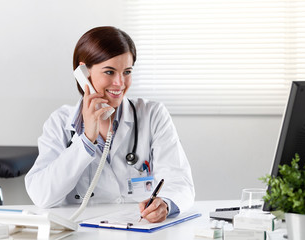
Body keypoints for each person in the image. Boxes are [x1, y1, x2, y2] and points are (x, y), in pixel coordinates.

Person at [25, 26, 195, 223]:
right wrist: (86, 141)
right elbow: (41, 195)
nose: (120, 83)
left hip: (138, 229)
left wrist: (165, 203)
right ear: (83, 73)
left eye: (127, 72)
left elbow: (181, 183)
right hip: (83, 231)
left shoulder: (152, 115)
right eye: (109, 71)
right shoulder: (60, 122)